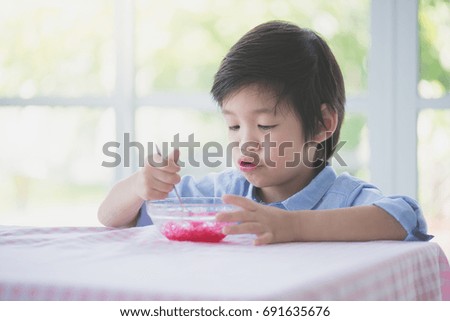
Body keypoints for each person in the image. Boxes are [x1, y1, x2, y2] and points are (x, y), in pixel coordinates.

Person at [98, 21, 432, 245]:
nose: (245, 141)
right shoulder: (223, 194)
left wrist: (291, 226)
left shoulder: (345, 199)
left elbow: (401, 217)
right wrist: (140, 183)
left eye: (265, 126)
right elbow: (111, 217)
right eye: (233, 125)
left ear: (321, 125)